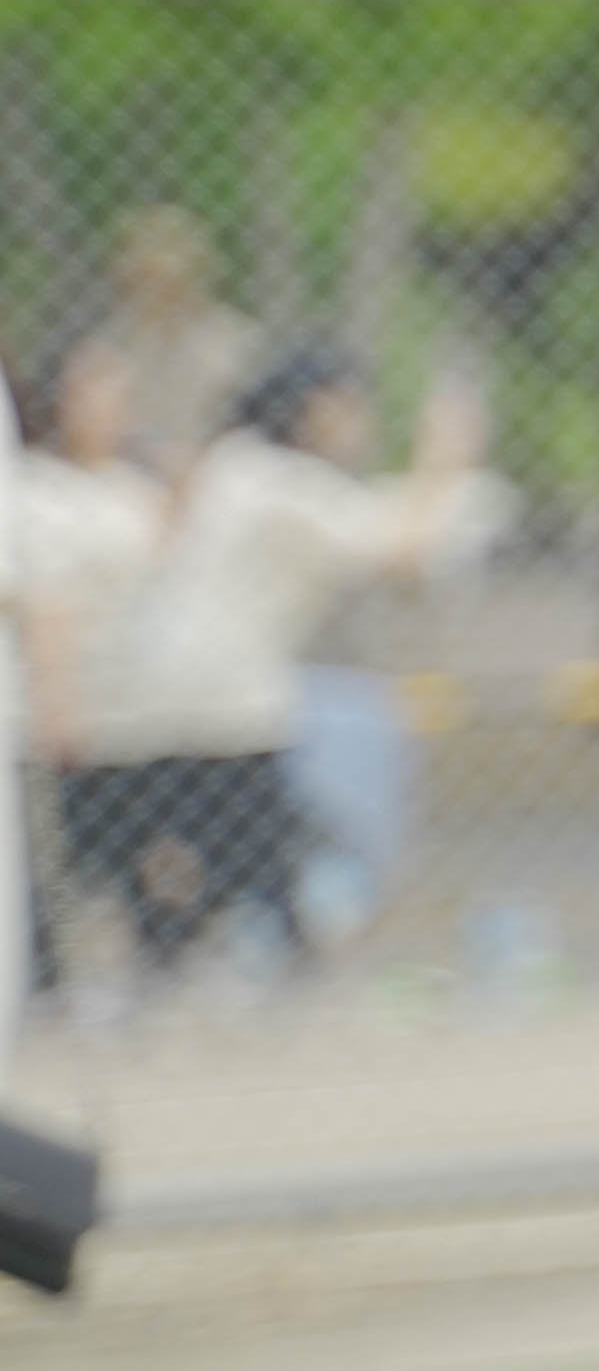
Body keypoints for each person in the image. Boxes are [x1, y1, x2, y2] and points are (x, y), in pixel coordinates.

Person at [59, 347, 496, 986]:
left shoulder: (240, 463)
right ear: (310, 410)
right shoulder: (279, 485)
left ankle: (181, 946)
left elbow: (375, 520)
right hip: (222, 693)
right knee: (251, 847)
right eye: (348, 408)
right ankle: (247, 957)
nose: (361, 424)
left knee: (215, 843)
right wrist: (444, 455)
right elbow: (401, 548)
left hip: (169, 683)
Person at [8, 348, 171, 1013]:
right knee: (53, 859)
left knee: (142, 854)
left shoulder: (136, 488)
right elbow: (45, 606)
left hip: (134, 703)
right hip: (60, 700)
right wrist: (58, 706)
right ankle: (45, 983)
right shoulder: (35, 488)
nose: (107, 410)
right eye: (91, 394)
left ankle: (146, 979)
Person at [82, 207, 259, 480]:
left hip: (214, 469)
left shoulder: (230, 340)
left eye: (170, 281)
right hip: (127, 469)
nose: (159, 292)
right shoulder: (114, 342)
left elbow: (247, 426)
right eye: (148, 278)